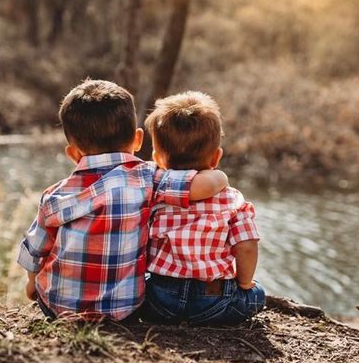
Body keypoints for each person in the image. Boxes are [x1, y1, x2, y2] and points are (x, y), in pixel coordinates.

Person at [17, 80, 227, 322]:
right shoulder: (148, 178)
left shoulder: (54, 195)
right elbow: (203, 187)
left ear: (73, 153)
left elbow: (34, 249)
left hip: (59, 308)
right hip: (123, 310)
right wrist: (220, 175)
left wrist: (32, 283)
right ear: (138, 140)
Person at [142, 91, 265, 326]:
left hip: (159, 300)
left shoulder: (153, 193)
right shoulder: (232, 200)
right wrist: (245, 283)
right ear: (216, 157)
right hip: (215, 300)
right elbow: (247, 245)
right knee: (257, 296)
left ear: (157, 158)